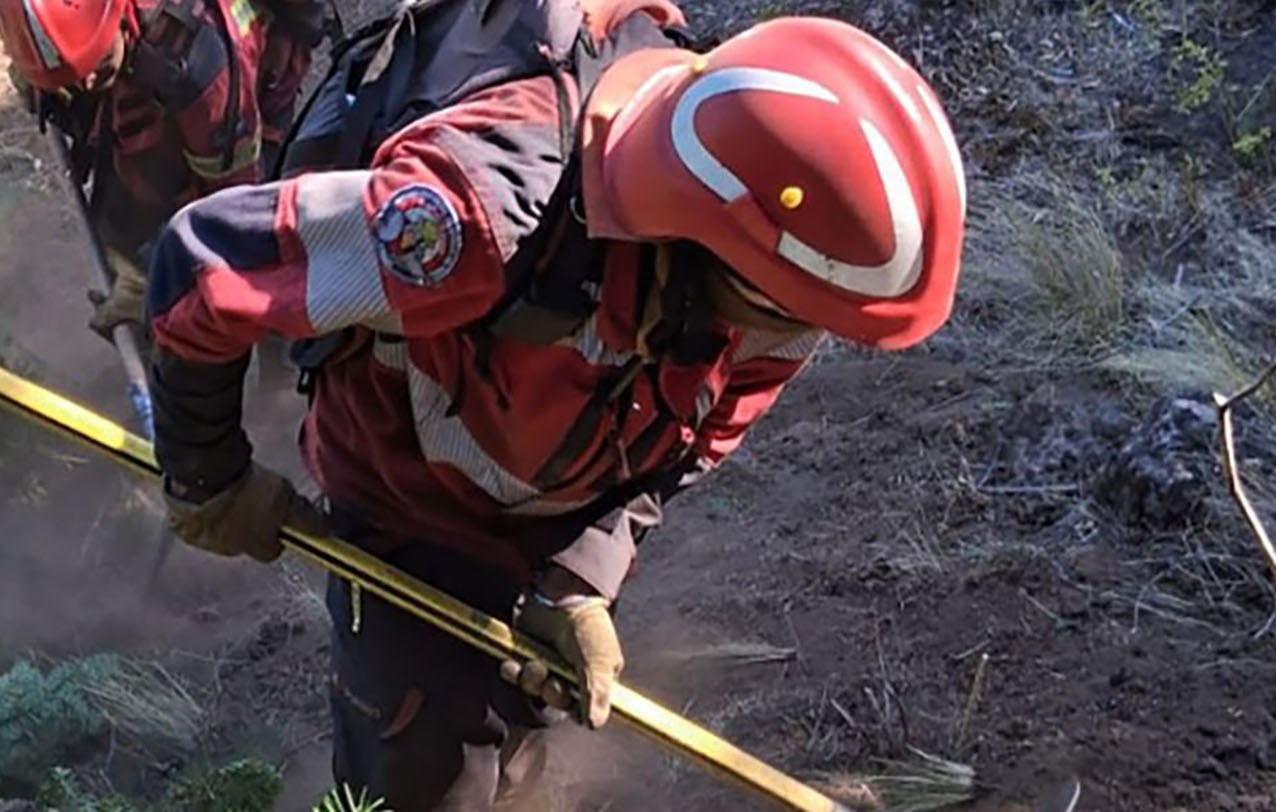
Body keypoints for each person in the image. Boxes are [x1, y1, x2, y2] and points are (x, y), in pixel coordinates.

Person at [139, 1, 968, 807]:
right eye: (793, 314)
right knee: (423, 771)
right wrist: (208, 475)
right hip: (403, 494)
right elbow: (204, 265)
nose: (802, 342)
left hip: (543, 501)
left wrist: (580, 576)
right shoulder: (475, 222)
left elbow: (688, 443)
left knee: (520, 719)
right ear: (716, 253)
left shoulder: (782, 296)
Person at [0, 0, 327, 338]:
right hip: (143, 72)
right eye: (72, 79)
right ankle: (152, 338)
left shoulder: (201, 69)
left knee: (260, 265)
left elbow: (233, 216)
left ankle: (276, 357)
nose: (87, 84)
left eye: (99, 66)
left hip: (240, 107)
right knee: (121, 227)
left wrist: (170, 292)